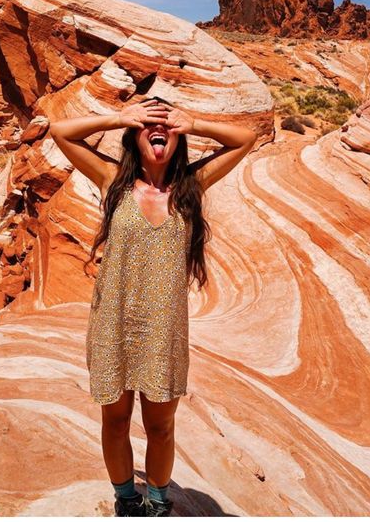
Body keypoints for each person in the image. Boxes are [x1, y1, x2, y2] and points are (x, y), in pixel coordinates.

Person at [48, 96, 256, 516]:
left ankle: (158, 503)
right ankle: (127, 499)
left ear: (178, 139)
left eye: (166, 127)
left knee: (160, 427)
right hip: (114, 324)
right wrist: (117, 116)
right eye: (147, 125)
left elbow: (245, 139)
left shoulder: (190, 188)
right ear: (133, 135)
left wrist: (194, 120)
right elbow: (59, 131)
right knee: (117, 422)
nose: (157, 131)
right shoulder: (113, 181)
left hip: (164, 330)